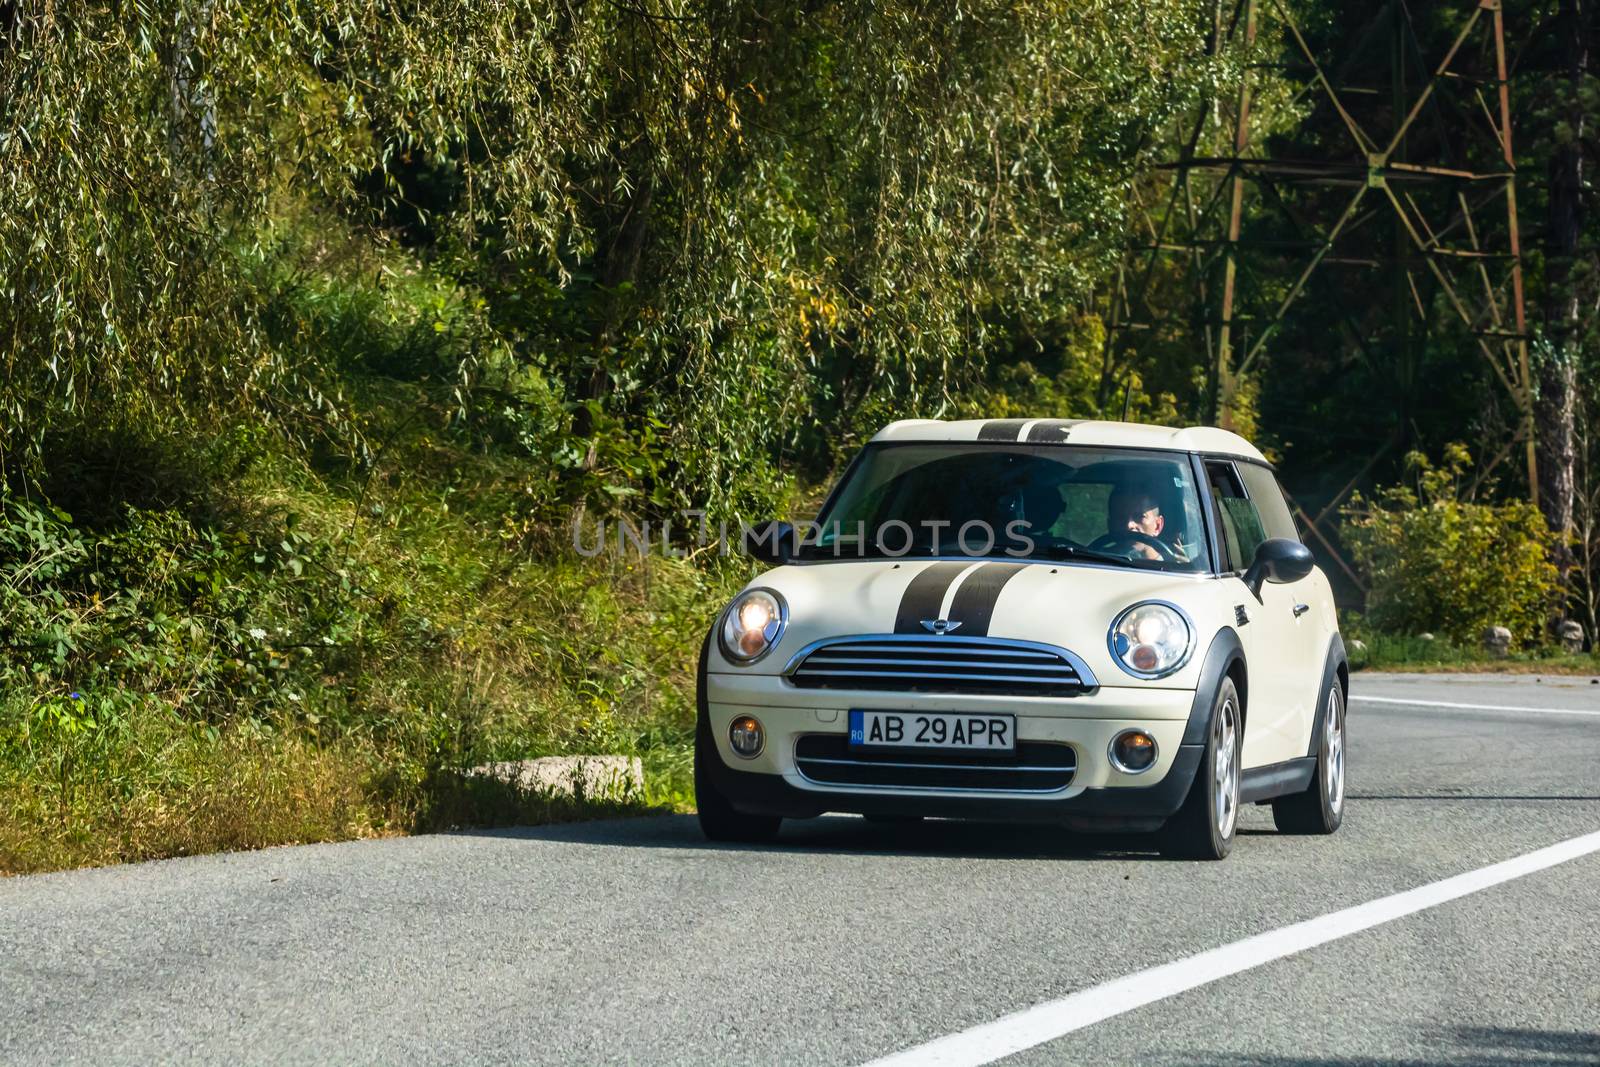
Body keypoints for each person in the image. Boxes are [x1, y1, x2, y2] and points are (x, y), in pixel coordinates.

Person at [1106, 483, 1189, 561]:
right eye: (1119, 517)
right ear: (1110, 524)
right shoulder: (1095, 563)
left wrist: (1182, 569)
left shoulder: (1172, 570)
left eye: (1139, 516)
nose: (1128, 525)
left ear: (1157, 526)